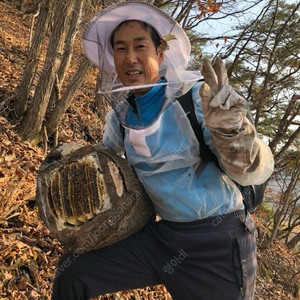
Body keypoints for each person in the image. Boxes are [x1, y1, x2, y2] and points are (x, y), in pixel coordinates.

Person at [51, 2, 274, 300]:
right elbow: (103, 157)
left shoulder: (197, 98)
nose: (130, 58)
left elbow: (249, 170)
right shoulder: (121, 116)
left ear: (159, 52)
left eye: (140, 46)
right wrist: (68, 157)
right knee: (73, 271)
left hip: (218, 242)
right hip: (163, 238)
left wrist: (233, 133)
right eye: (120, 49)